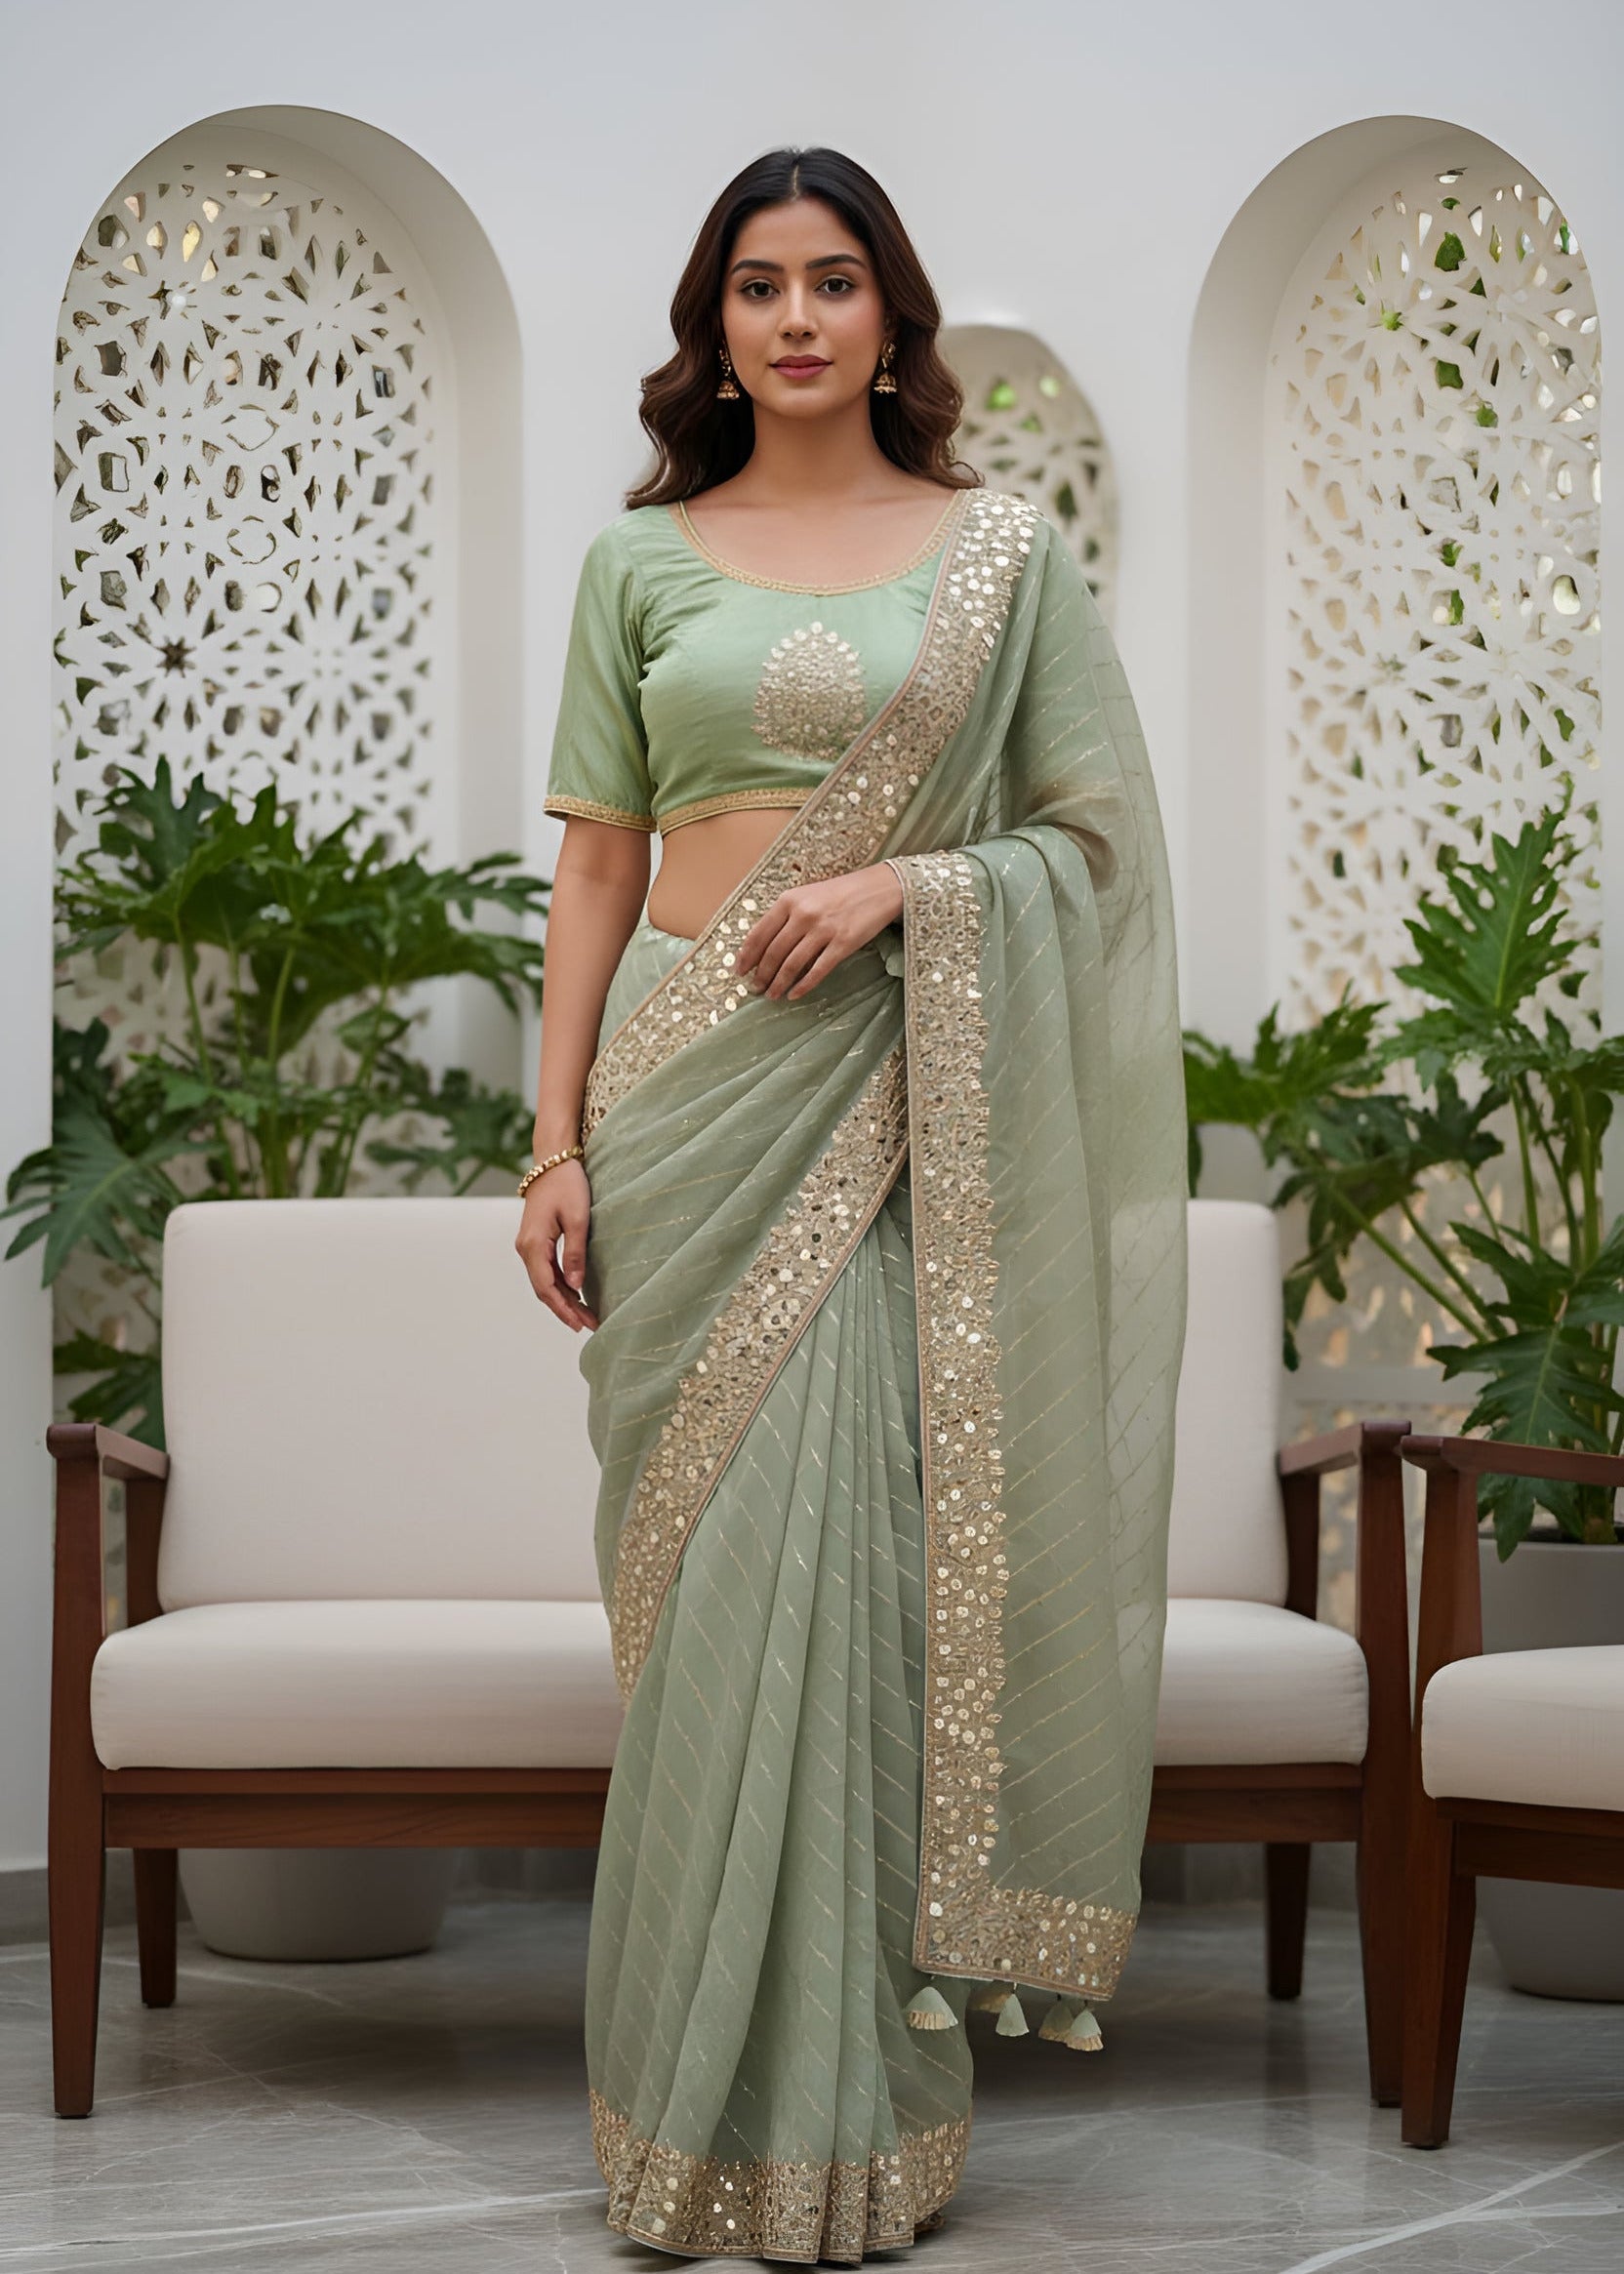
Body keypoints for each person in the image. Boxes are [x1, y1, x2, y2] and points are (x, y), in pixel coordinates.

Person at [516, 143, 1187, 2265]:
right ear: (712, 326)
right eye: (755, 285)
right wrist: (551, 1138)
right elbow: (599, 867)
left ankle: (847, 2121)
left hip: (897, 1124)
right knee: (707, 1600)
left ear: (891, 312)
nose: (794, 318)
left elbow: (1095, 847)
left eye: (830, 280)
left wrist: (913, 882)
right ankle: (685, 2108)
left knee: (864, 1592)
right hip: (683, 1116)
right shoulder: (640, 563)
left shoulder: (1002, 558)